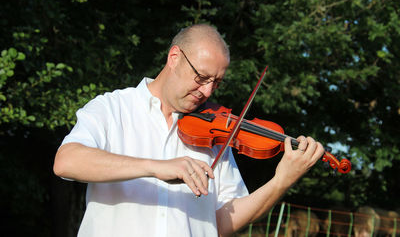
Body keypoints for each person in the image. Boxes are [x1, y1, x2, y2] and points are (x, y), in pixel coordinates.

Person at [53, 24, 325, 237]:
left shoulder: (215, 133)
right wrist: (156, 166)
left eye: (215, 83)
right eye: (202, 77)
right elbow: (67, 161)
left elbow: (220, 223)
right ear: (174, 58)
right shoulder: (113, 108)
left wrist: (281, 181)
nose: (207, 91)